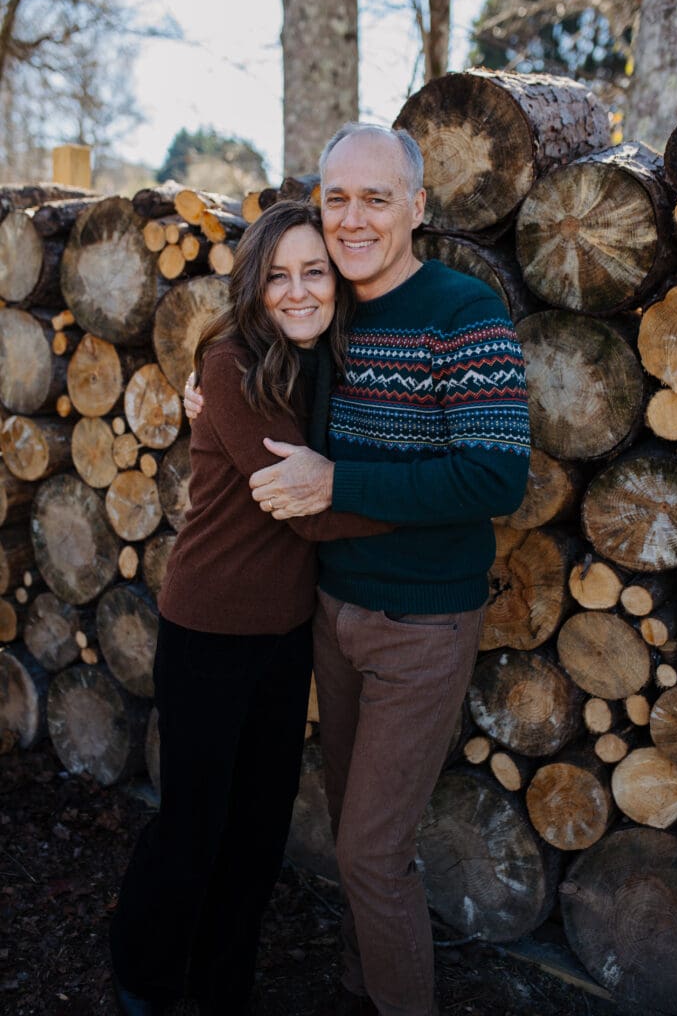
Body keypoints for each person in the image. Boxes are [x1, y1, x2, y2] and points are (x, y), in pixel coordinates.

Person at [185, 123, 530, 1016]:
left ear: (417, 206)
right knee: (352, 838)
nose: (353, 217)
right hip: (330, 610)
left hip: (421, 622)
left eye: (377, 197)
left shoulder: (464, 312)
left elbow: (496, 474)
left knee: (372, 853)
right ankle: (356, 987)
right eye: (337, 196)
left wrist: (341, 481)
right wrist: (202, 372)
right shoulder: (327, 313)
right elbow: (250, 349)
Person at [109, 199, 391, 1016]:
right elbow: (303, 506)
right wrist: (427, 496)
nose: (299, 291)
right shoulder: (232, 364)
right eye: (278, 277)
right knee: (195, 827)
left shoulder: (325, 360)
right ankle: (145, 975)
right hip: (207, 629)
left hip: (282, 635)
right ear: (253, 287)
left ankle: (221, 985)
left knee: (260, 833)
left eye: (315, 272)